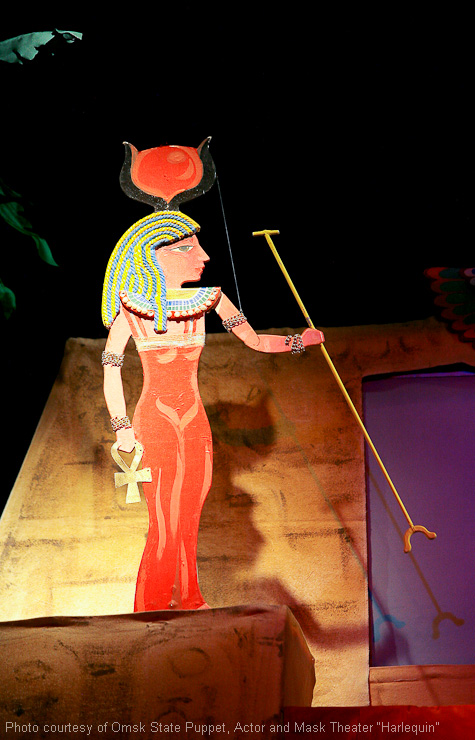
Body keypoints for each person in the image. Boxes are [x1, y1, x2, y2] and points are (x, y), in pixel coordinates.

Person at [101, 147, 324, 612]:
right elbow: (112, 367)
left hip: (194, 420)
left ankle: (190, 598)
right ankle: (151, 605)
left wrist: (299, 342)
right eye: (188, 248)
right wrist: (121, 429)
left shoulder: (210, 299)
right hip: (153, 421)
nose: (203, 255)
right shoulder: (131, 309)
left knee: (191, 513)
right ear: (155, 255)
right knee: (163, 517)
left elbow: (255, 341)